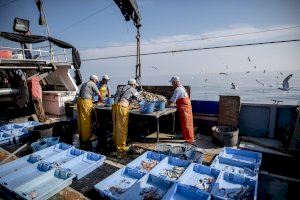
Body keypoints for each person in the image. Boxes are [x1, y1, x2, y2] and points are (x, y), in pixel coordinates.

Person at [112, 78, 141, 152]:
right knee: (122, 127)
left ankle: (115, 143)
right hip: (122, 108)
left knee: (116, 126)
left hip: (115, 107)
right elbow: (139, 99)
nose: (135, 87)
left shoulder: (121, 87)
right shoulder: (133, 89)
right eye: (135, 85)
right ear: (133, 84)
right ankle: (121, 147)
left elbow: (115, 97)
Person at [169, 76, 195, 144]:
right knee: (185, 124)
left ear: (175, 82)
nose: (172, 84)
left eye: (172, 82)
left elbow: (171, 101)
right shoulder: (182, 88)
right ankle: (186, 137)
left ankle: (190, 140)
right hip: (185, 108)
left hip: (185, 109)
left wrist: (164, 104)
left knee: (187, 124)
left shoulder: (178, 89)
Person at [77, 75, 101, 145]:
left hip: (79, 101)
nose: (96, 82)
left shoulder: (84, 84)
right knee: (86, 119)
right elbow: (99, 94)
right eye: (96, 81)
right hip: (86, 101)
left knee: (81, 119)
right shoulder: (92, 84)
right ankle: (86, 138)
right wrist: (102, 100)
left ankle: (81, 136)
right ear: (94, 80)